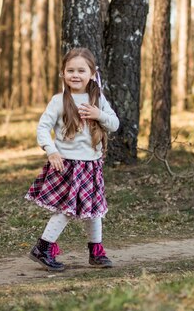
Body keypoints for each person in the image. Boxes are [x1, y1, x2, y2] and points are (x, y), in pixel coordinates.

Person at [25, 48, 119, 271]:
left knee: (94, 210)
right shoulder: (59, 101)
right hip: (67, 165)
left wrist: (100, 115)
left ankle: (96, 251)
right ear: (63, 74)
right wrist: (51, 150)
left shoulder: (98, 100)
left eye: (81, 70)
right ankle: (43, 247)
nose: (75, 75)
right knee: (68, 210)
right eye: (70, 70)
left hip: (92, 165)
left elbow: (114, 124)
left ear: (92, 73)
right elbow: (42, 128)